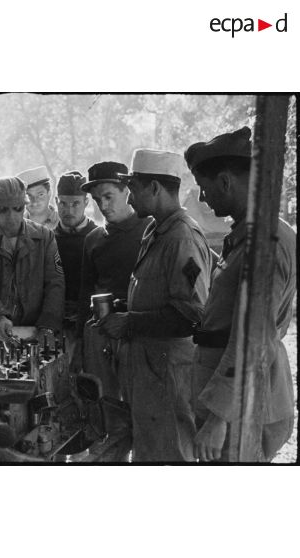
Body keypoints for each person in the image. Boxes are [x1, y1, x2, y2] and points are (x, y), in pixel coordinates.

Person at [184, 126, 296, 462]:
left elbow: (253, 341)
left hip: (243, 409)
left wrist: (219, 418)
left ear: (226, 182)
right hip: (241, 399)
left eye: (205, 189)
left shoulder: (263, 244)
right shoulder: (254, 234)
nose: (203, 199)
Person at [99, 149, 212, 462]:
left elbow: (193, 315)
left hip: (169, 376)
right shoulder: (156, 230)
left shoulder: (182, 238)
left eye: (134, 188)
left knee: (172, 453)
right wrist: (125, 308)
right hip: (150, 373)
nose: (130, 196)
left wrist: (131, 322)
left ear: (154, 189)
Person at [0, 176, 65, 366]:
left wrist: (48, 326)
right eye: (3, 210)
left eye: (18, 209)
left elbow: (55, 285)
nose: (11, 217)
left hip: (35, 329)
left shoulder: (44, 238)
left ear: (24, 205)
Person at [74, 162, 151, 403]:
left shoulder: (151, 231)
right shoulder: (93, 239)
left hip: (138, 334)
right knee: (104, 401)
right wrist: (80, 343)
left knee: (137, 401)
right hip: (100, 335)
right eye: (97, 200)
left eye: (108, 196)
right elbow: (85, 292)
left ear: (127, 191)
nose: (103, 206)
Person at [53, 171, 97, 361]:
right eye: (63, 203)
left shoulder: (98, 238)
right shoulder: (48, 240)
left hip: (88, 323)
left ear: (86, 202)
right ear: (56, 201)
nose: (69, 210)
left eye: (75, 203)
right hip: (55, 322)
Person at [17, 166, 59, 230]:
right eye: (29, 196)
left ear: (49, 193)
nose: (34, 202)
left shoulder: (63, 222)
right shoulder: (16, 226)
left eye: (40, 195)